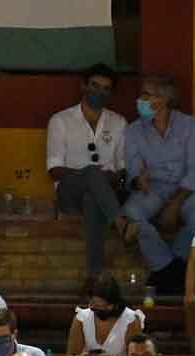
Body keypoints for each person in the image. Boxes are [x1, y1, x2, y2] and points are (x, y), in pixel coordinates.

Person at [122, 74, 195, 297]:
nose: (140, 100)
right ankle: (168, 268)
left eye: (146, 95)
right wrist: (137, 179)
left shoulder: (191, 126)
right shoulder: (133, 130)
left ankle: (172, 265)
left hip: (186, 190)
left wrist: (174, 205)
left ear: (163, 100)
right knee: (132, 211)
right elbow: (133, 168)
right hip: (153, 189)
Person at [46, 64, 129, 276]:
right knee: (92, 173)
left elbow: (122, 169)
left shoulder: (119, 122)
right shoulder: (60, 120)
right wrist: (90, 176)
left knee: (93, 199)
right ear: (83, 86)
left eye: (105, 88)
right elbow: (54, 170)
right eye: (94, 85)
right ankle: (120, 222)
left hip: (104, 192)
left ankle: (94, 278)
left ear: (111, 93)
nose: (99, 92)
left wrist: (104, 179)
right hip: (68, 193)